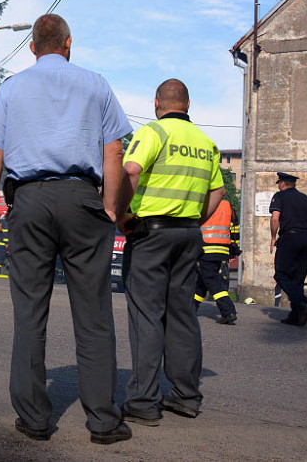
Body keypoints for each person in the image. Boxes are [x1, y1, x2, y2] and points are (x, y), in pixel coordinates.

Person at [0, 14, 132, 445]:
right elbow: (113, 149)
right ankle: (102, 421)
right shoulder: (96, 84)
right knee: (94, 313)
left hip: (29, 202)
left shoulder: (11, 88)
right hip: (82, 198)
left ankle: (35, 419)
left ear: (31, 48)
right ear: (68, 43)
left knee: (29, 311)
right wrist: (109, 208)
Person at [116, 79, 225, 426]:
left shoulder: (153, 133)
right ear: (188, 104)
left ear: (156, 103)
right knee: (181, 314)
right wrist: (194, 220)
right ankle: (186, 396)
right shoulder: (205, 143)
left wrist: (121, 215)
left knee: (147, 313)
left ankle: (144, 401)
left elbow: (130, 170)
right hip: (189, 234)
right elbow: (218, 191)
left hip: (152, 234)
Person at [268, 173, 307, 326]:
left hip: (289, 238)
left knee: (281, 275)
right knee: (297, 278)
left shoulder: (280, 196)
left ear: (282, 183)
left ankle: (303, 302)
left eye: (279, 183)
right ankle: (296, 316)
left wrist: (273, 237)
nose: (278, 186)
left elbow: (275, 217)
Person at [195, 198, 237, 324]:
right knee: (202, 281)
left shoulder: (201, 202)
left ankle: (228, 310)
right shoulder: (227, 205)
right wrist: (234, 249)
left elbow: (192, 225)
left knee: (211, 278)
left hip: (206, 247)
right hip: (222, 249)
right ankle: (190, 309)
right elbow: (234, 228)